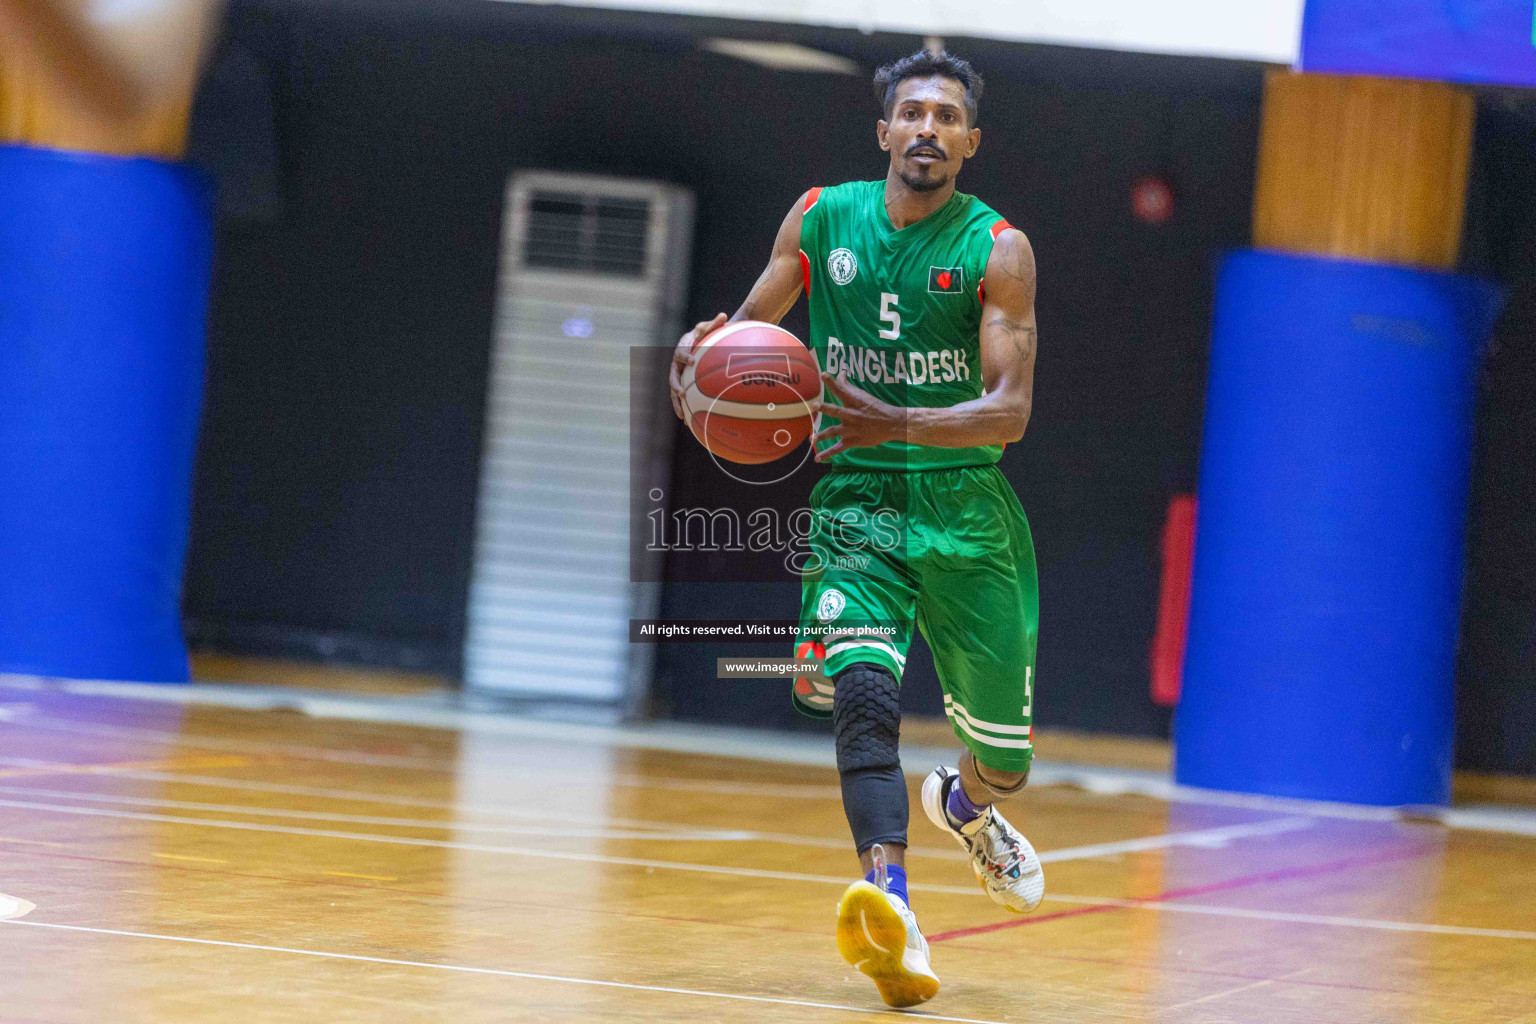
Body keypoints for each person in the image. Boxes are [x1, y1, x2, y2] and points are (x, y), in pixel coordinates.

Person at [668, 48, 1042, 1009]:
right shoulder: (821, 215)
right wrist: (705, 365)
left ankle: (965, 806)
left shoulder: (998, 250)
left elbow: (1009, 413)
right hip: (857, 504)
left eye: (946, 116)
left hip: (965, 508)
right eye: (911, 112)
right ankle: (893, 902)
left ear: (970, 141)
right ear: (884, 131)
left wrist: (901, 421)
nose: (927, 127)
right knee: (864, 694)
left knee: (1005, 759)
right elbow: (752, 336)